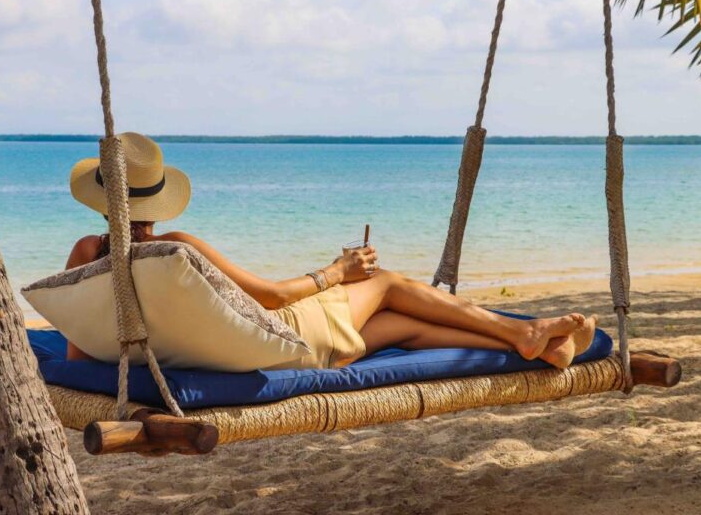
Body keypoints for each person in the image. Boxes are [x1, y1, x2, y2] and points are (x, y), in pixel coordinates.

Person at [65, 133, 597, 370]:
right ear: (157, 200)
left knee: (404, 328)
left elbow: (78, 349)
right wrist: (336, 271)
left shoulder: (87, 255)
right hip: (281, 344)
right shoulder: (175, 248)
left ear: (101, 201)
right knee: (384, 283)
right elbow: (272, 298)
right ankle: (520, 331)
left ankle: (532, 350)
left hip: (233, 353)